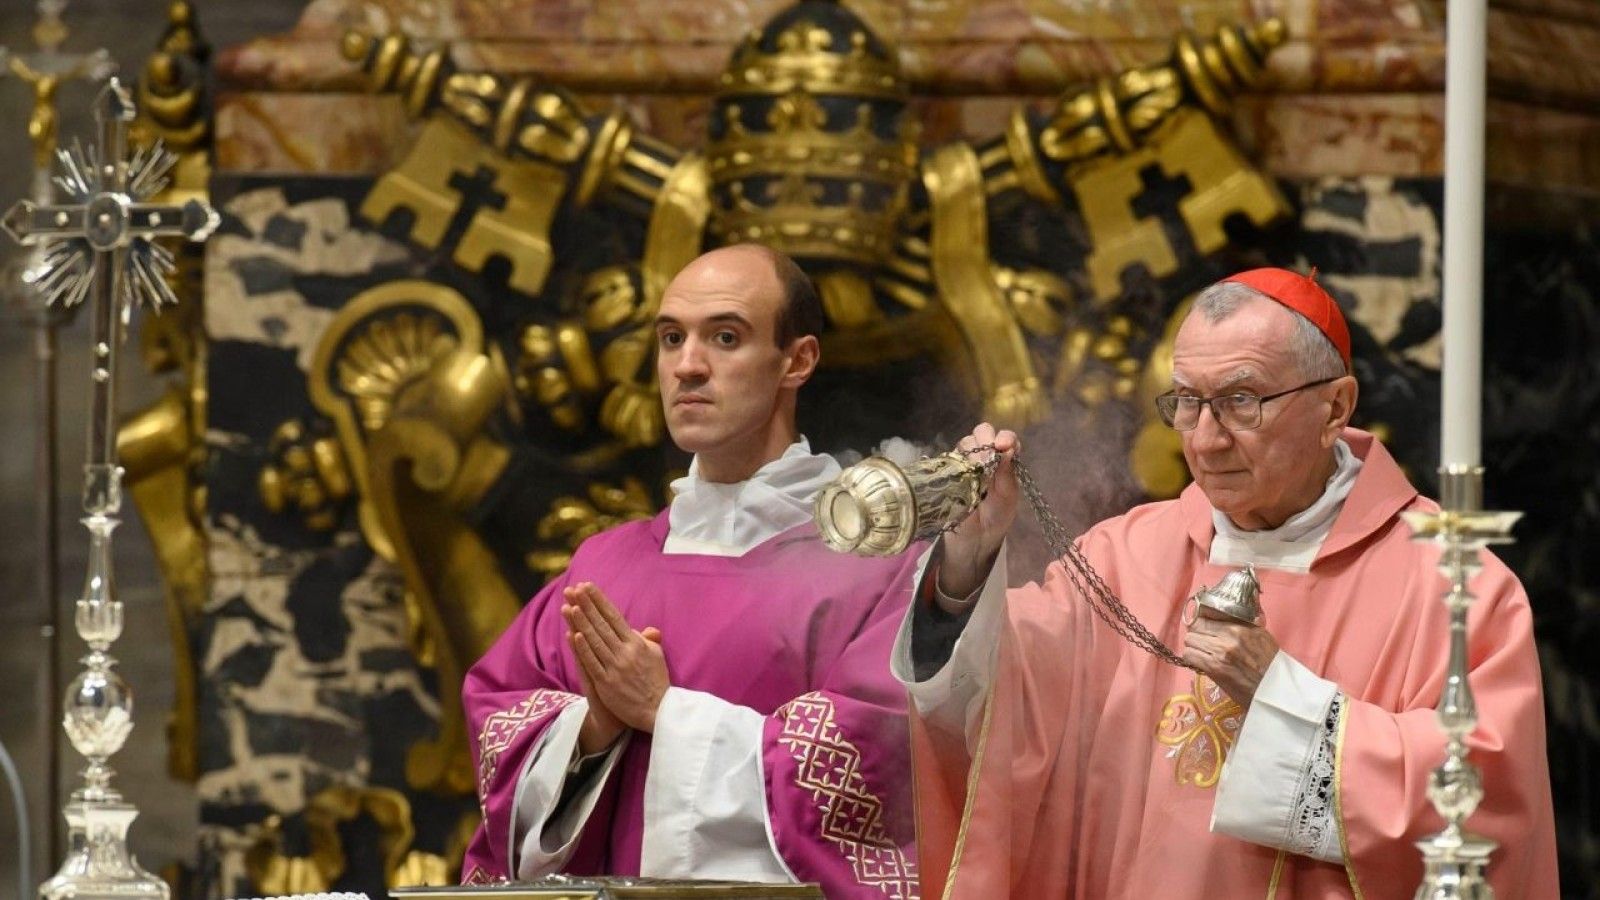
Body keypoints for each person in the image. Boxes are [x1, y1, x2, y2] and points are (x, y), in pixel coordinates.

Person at [895, 268, 1559, 898]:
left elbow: (1480, 807)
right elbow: (993, 721)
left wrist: (1282, 697)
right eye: (1188, 402)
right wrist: (968, 564)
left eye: (1242, 401)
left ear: (1336, 407)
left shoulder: (1450, 586)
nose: (1206, 441)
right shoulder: (1125, 557)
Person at [459, 243, 921, 898]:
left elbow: (872, 783)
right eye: (671, 338)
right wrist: (591, 729)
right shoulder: (603, 565)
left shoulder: (877, 568)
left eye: (725, 337)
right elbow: (500, 726)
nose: (688, 366)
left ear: (798, 360)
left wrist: (664, 712)